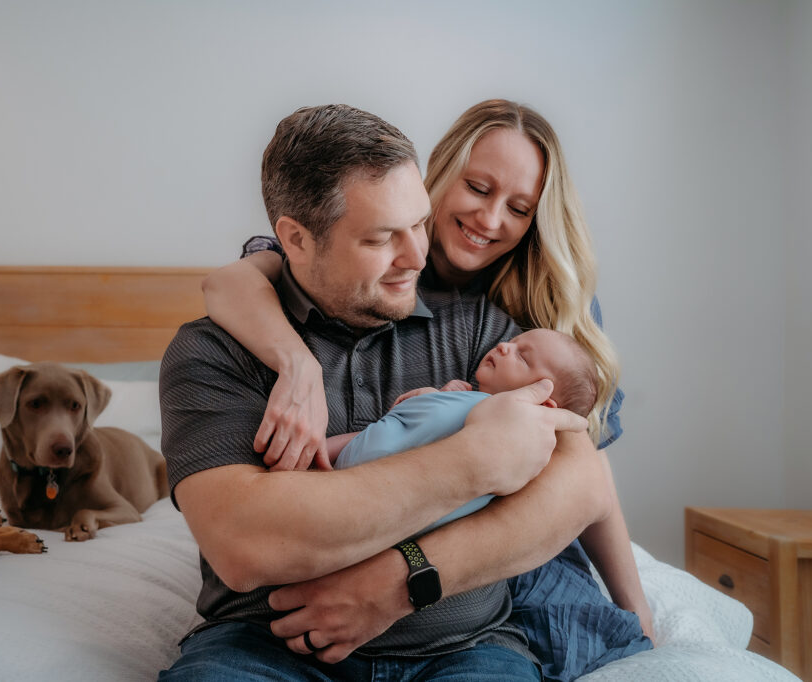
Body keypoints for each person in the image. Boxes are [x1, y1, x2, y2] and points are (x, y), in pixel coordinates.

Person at [200, 100, 652, 680]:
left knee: (577, 636)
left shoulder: (531, 312)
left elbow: (586, 475)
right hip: (341, 569)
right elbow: (229, 283)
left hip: (515, 529)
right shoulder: (325, 260)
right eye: (478, 188)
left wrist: (634, 604)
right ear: (433, 176)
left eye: (518, 207)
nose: (490, 220)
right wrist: (298, 364)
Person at [325, 329, 651, 651]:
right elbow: (411, 428)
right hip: (354, 466)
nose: (504, 346)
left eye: (522, 356)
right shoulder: (464, 395)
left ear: (543, 404)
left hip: (389, 518)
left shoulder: (522, 447)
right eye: (512, 342)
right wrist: (441, 395)